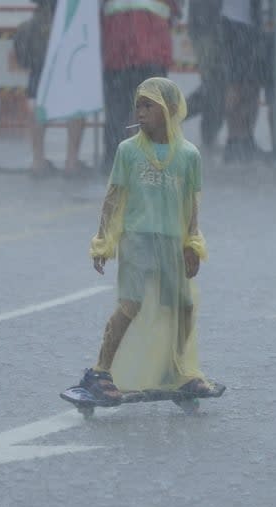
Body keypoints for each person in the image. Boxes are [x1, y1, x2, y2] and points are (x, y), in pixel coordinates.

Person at [72, 77, 216, 403]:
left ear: (171, 110)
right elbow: (113, 199)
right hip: (137, 239)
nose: (141, 111)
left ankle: (176, 369)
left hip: (171, 241)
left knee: (182, 306)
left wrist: (192, 244)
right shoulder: (128, 151)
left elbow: (191, 205)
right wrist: (102, 242)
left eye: (149, 105)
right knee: (130, 305)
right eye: (138, 104)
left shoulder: (188, 155)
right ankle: (101, 371)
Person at [100, 0, 181, 175]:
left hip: (117, 45)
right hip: (151, 45)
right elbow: (175, 9)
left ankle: (113, 162)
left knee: (117, 110)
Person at [25, 0, 89, 179]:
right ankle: (71, 161)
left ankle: (38, 160)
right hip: (73, 30)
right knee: (75, 97)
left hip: (44, 33)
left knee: (39, 95)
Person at [221, 0, 268, 163]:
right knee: (235, 85)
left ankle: (246, 138)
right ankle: (233, 139)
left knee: (251, 86)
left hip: (252, 26)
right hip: (234, 24)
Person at [185, 0, 225, 155]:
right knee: (214, 86)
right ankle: (209, 138)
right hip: (207, 27)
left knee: (217, 86)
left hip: (216, 26)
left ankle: (171, 116)